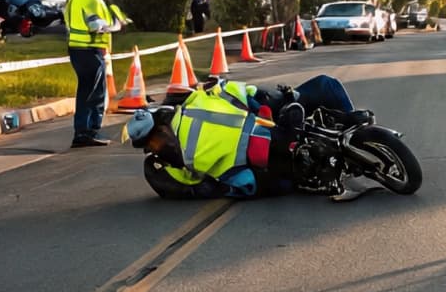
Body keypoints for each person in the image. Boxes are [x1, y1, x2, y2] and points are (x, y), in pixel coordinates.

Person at [125, 74, 372, 201]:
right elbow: (233, 90)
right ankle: (352, 137)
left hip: (261, 143)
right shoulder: (195, 106)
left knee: (317, 92)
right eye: (152, 144)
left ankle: (355, 136)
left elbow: (199, 188)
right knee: (324, 86)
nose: (156, 145)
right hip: (261, 157)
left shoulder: (178, 156)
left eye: (153, 141)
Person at [64, 0, 122, 148]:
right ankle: (85, 132)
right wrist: (115, 25)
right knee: (92, 92)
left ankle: (87, 131)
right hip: (86, 49)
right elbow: (96, 25)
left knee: (92, 90)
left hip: (86, 49)